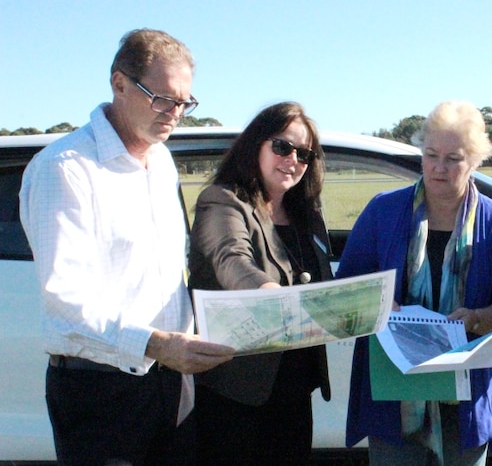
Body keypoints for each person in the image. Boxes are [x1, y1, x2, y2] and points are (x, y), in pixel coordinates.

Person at [18, 28, 235, 464]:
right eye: (163, 98)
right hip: (100, 390)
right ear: (119, 84)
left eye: (184, 103)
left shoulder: (161, 161)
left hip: (170, 379)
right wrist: (155, 344)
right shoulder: (66, 169)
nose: (175, 113)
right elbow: (65, 298)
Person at [337, 101, 492, 465]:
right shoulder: (382, 211)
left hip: (466, 398)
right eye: (431, 155)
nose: (439, 168)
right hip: (394, 395)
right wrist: (378, 306)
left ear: (474, 162)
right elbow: (345, 288)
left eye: (453, 159)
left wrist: (475, 317)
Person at [188, 101, 332, 465]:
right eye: (283, 147)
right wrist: (272, 295)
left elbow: (322, 280)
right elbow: (230, 260)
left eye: (304, 153)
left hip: (296, 387)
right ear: (256, 144)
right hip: (237, 392)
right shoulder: (221, 201)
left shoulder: (307, 213)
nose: (293, 160)